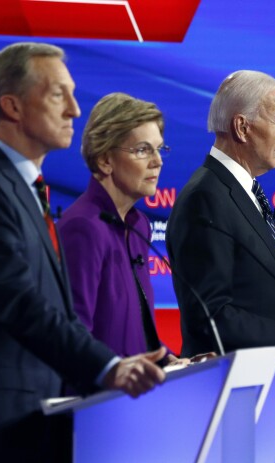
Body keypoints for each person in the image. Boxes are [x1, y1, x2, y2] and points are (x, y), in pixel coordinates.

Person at [0, 42, 166, 463]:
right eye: (59, 94)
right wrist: (109, 366)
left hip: (35, 419)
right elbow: (21, 305)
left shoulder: (23, 187)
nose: (75, 110)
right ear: (12, 105)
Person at [166, 70, 275, 356]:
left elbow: (250, 296)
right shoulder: (206, 197)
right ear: (242, 127)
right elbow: (210, 317)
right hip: (226, 384)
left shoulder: (241, 190)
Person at [58, 92, 174, 358]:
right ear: (105, 160)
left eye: (159, 149)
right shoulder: (82, 228)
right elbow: (74, 337)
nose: (157, 161)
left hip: (135, 394)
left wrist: (170, 362)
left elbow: (137, 331)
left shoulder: (138, 226)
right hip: (98, 395)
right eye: (143, 150)